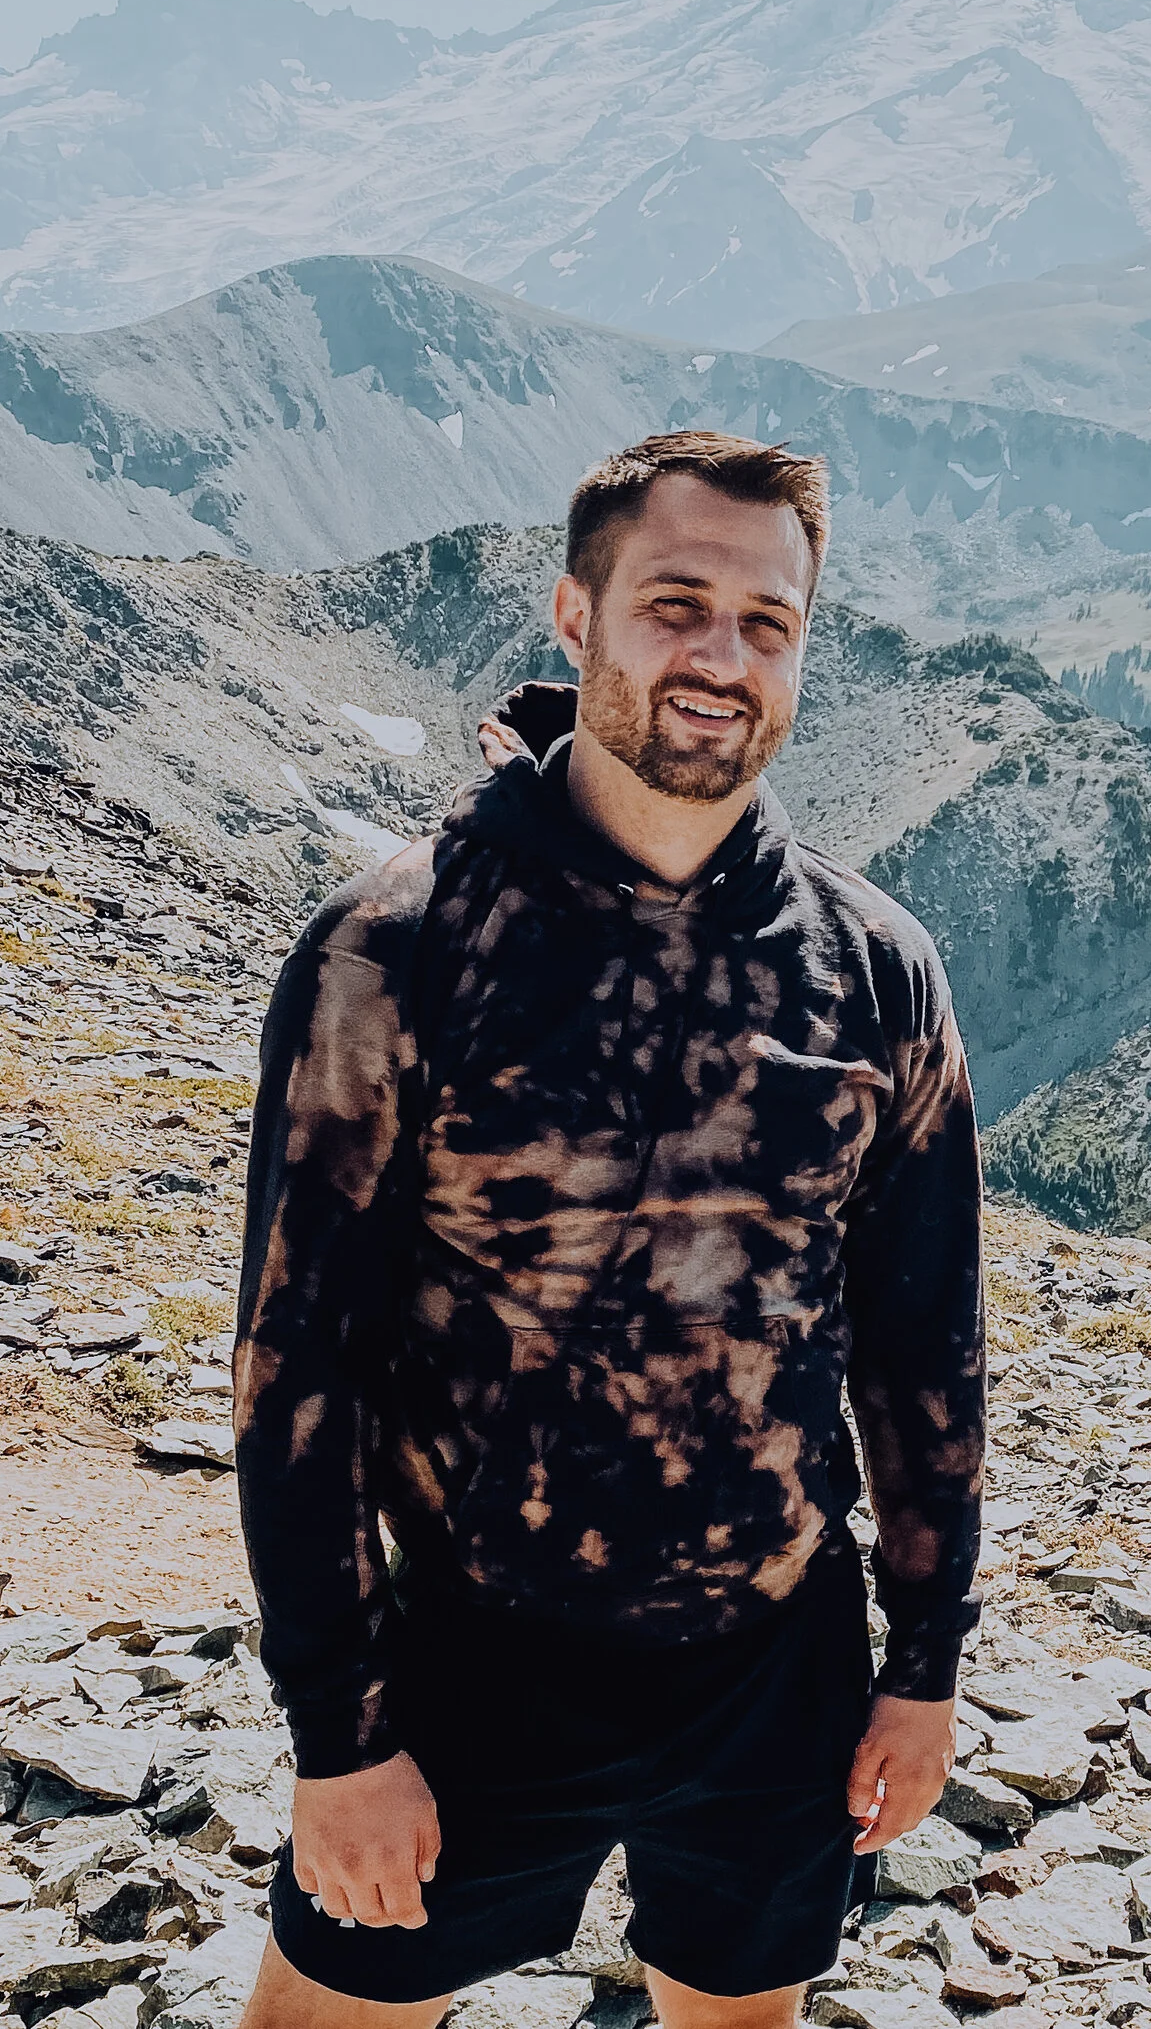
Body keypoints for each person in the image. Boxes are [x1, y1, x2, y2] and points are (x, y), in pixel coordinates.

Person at [232, 432, 987, 2029]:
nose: (722, 657)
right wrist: (340, 1741)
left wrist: (922, 1667)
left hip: (777, 1659)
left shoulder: (877, 969)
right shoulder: (402, 946)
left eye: (767, 622)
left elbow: (927, 1352)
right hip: (472, 1649)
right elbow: (299, 1372)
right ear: (576, 619)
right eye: (677, 603)